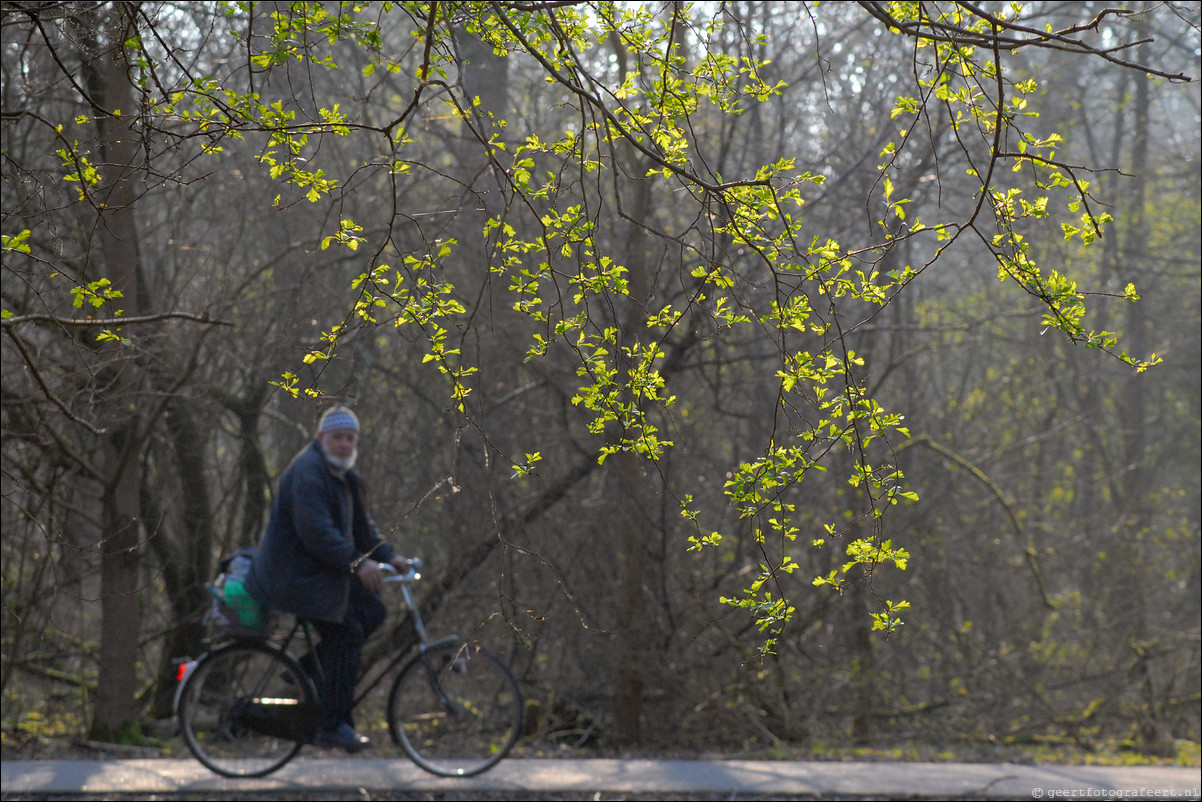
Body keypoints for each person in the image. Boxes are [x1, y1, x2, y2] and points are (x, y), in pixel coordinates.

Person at [246, 405, 409, 752]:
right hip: (293, 576)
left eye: (351, 438)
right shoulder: (309, 471)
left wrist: (388, 557)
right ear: (321, 438)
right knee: (347, 634)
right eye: (338, 437)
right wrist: (357, 564)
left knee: (373, 613)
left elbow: (363, 529)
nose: (345, 444)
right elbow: (316, 533)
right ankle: (333, 726)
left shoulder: (341, 474)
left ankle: (307, 669)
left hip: (318, 573)